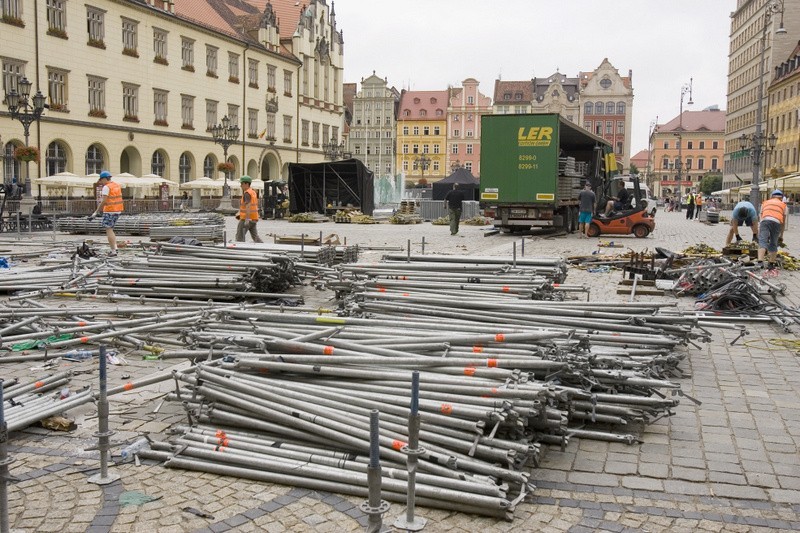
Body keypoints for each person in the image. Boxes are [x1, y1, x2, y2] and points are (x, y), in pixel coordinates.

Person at [88, 170, 123, 256]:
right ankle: (115, 248)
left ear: (104, 179)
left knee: (109, 229)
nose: (101, 182)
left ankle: (113, 251)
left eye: (101, 180)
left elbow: (104, 201)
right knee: (111, 229)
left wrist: (95, 212)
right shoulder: (116, 185)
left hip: (110, 211)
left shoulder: (106, 187)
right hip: (117, 210)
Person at [757, 190, 788, 267]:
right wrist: (781, 235)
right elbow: (783, 222)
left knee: (763, 241)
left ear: (772, 197)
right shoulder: (784, 205)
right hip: (777, 222)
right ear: (781, 198)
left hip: (765, 221)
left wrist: (761, 229)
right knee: (774, 242)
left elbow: (761, 217)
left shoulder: (765, 203)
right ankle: (771, 264)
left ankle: (760, 262)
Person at [235, 175, 263, 243]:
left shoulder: (247, 193)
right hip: (254, 218)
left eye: (242, 183)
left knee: (239, 237)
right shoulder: (253, 192)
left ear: (246, 184)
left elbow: (248, 206)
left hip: (246, 219)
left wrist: (247, 219)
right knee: (255, 237)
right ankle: (265, 247)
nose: (240, 185)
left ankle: (239, 251)